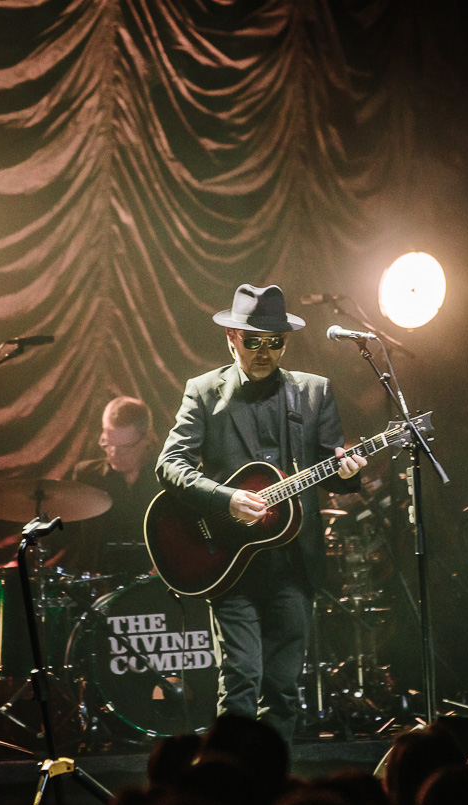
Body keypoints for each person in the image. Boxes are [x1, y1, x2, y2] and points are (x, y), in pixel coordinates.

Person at [155, 284, 365, 742]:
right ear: (231, 337)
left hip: (293, 563)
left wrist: (348, 473)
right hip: (228, 560)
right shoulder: (204, 392)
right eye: (253, 341)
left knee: (283, 688)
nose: (265, 352)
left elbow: (331, 471)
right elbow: (169, 464)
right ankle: (232, 776)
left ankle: (274, 775)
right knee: (241, 680)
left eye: (275, 342)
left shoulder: (314, 392)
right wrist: (224, 498)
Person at [71, 395, 161, 579]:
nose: (113, 454)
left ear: (146, 439)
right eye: (108, 443)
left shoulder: (166, 478)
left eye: (124, 447)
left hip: (157, 584)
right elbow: (67, 535)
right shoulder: (88, 477)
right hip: (100, 583)